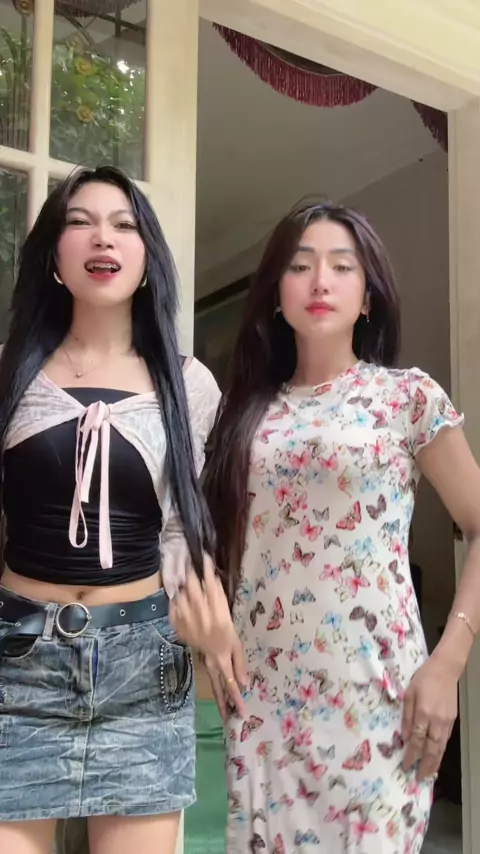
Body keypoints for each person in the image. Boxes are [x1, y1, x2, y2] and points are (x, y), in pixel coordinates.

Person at [173, 201, 480, 853]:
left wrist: (448, 663)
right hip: (262, 706)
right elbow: (204, 540)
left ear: (368, 298)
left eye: (342, 267)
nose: (320, 281)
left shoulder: (408, 398)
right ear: (276, 293)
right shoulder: (240, 414)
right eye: (300, 266)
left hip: (378, 703)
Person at [0, 165, 243, 854]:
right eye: (80, 222)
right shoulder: (9, 369)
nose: (102, 237)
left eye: (123, 224)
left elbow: (188, 522)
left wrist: (205, 607)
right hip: (17, 666)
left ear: (146, 257)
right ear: (53, 256)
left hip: (143, 668)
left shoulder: (188, 382)